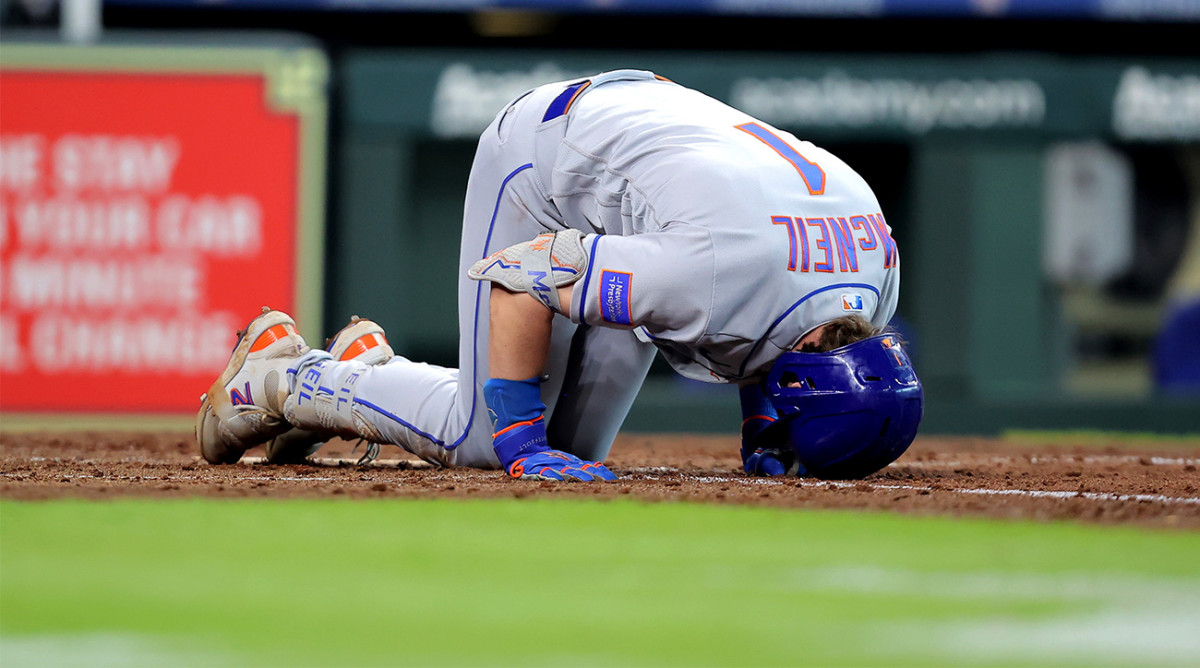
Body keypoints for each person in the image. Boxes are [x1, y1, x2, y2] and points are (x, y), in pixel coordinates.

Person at [196, 70, 923, 481]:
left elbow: (783, 325)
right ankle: (281, 374)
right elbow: (523, 275)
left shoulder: (875, 273)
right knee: (488, 440)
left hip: (660, 168)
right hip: (543, 155)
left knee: (570, 452)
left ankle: (376, 375)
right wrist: (517, 443)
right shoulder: (707, 278)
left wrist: (768, 429)